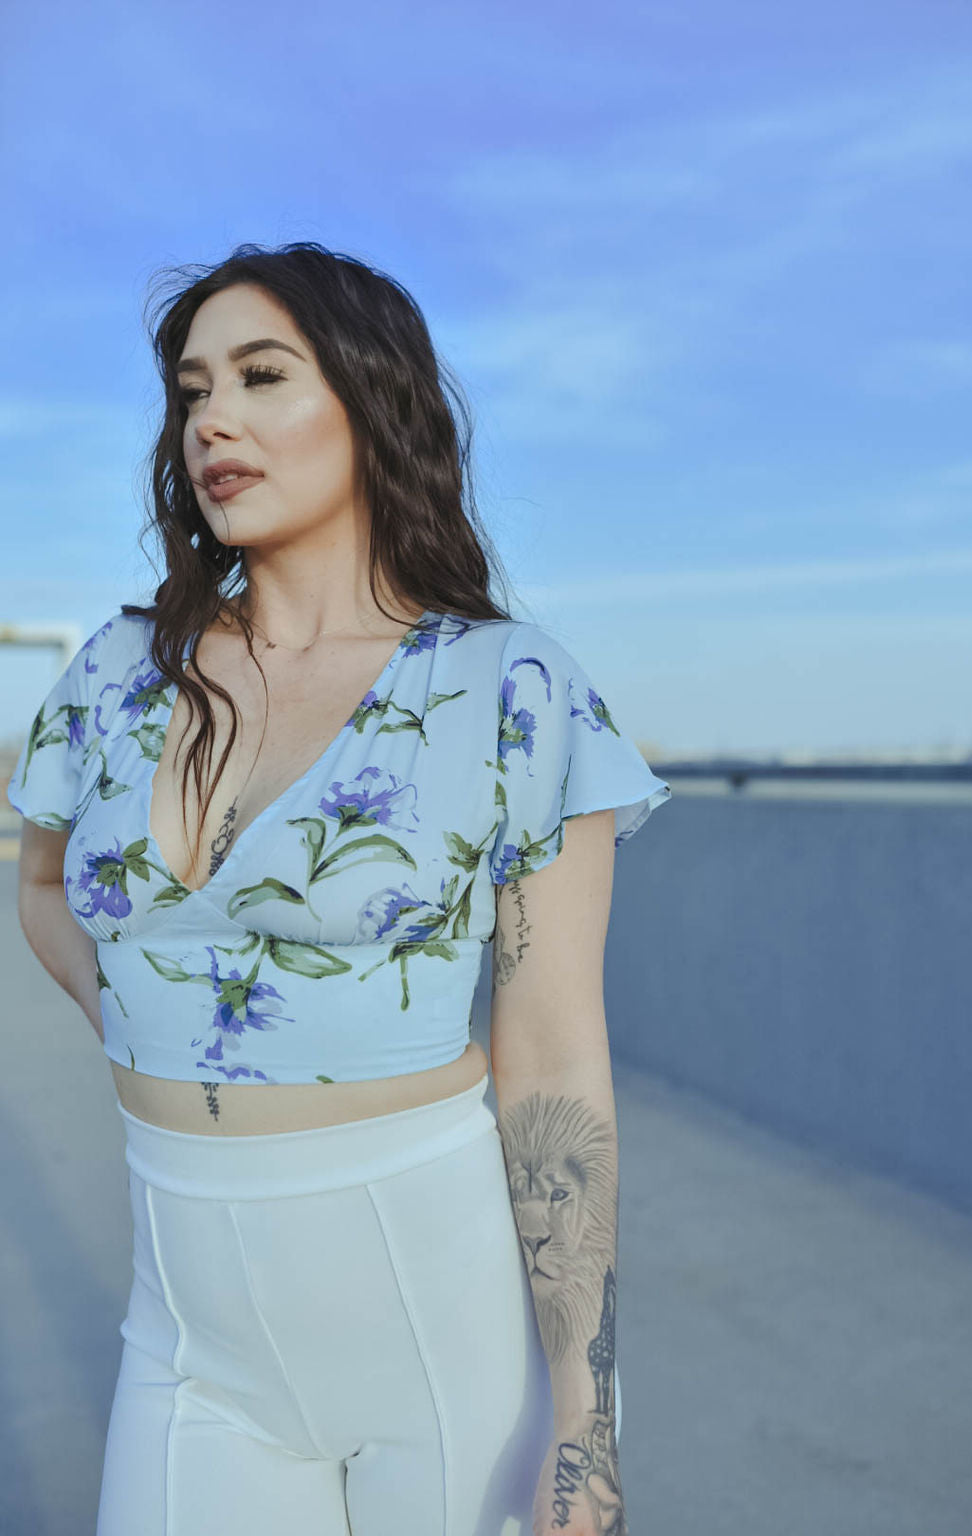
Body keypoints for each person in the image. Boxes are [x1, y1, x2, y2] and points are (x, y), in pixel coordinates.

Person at [8, 241, 672, 1536]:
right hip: (186, 1328)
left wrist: (584, 1421)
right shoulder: (117, 669)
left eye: (262, 375)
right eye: (193, 390)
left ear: (372, 403)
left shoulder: (507, 690)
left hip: (432, 1311)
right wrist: (159, 1017)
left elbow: (550, 1059)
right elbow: (45, 885)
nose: (214, 420)